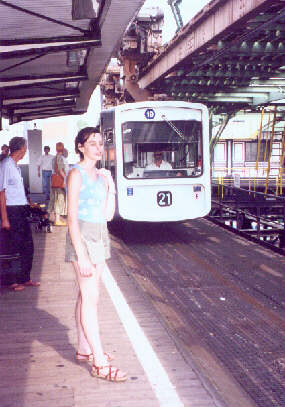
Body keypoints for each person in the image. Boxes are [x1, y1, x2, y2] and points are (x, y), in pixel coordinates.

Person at [65, 126, 127, 382]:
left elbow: (108, 215)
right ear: (80, 146)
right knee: (92, 298)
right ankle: (99, 362)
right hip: (83, 238)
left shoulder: (101, 176)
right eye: (92, 143)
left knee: (85, 294)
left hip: (100, 234)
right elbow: (70, 218)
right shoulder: (76, 174)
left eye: (101, 143)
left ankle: (83, 348)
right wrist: (81, 255)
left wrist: (110, 185)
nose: (99, 148)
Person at [0, 137, 40, 291]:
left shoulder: (15, 166)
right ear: (21, 149)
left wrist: (29, 203)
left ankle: (25, 278)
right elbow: (1, 193)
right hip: (11, 210)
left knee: (27, 245)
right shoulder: (5, 166)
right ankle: (12, 281)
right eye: (25, 148)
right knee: (12, 247)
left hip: (20, 209)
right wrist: (4, 219)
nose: (26, 151)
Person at [48, 142, 68, 226]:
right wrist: (65, 179)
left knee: (54, 199)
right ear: (62, 148)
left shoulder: (54, 158)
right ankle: (57, 220)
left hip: (54, 180)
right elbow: (60, 170)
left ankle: (52, 217)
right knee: (59, 199)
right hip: (60, 180)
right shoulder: (61, 158)